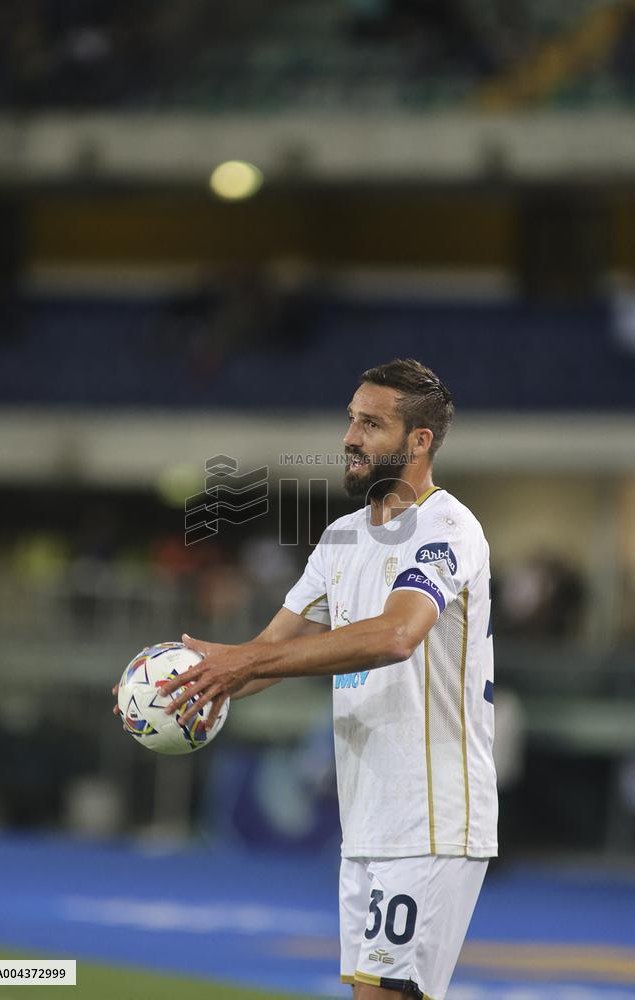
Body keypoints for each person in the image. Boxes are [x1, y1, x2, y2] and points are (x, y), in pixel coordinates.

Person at [114, 358, 498, 1000]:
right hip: (367, 818)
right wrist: (185, 686)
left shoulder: (448, 528)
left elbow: (396, 635)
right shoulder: (341, 538)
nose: (350, 437)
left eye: (371, 425)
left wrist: (243, 664)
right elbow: (269, 650)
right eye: (351, 420)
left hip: (432, 814)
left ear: (419, 441)